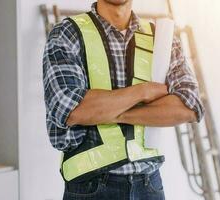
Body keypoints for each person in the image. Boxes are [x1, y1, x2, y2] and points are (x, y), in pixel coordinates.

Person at [42, 0, 205, 199]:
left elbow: (189, 107)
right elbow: (71, 110)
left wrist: (111, 113)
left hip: (149, 185)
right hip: (91, 187)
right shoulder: (67, 34)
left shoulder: (160, 37)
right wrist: (143, 92)